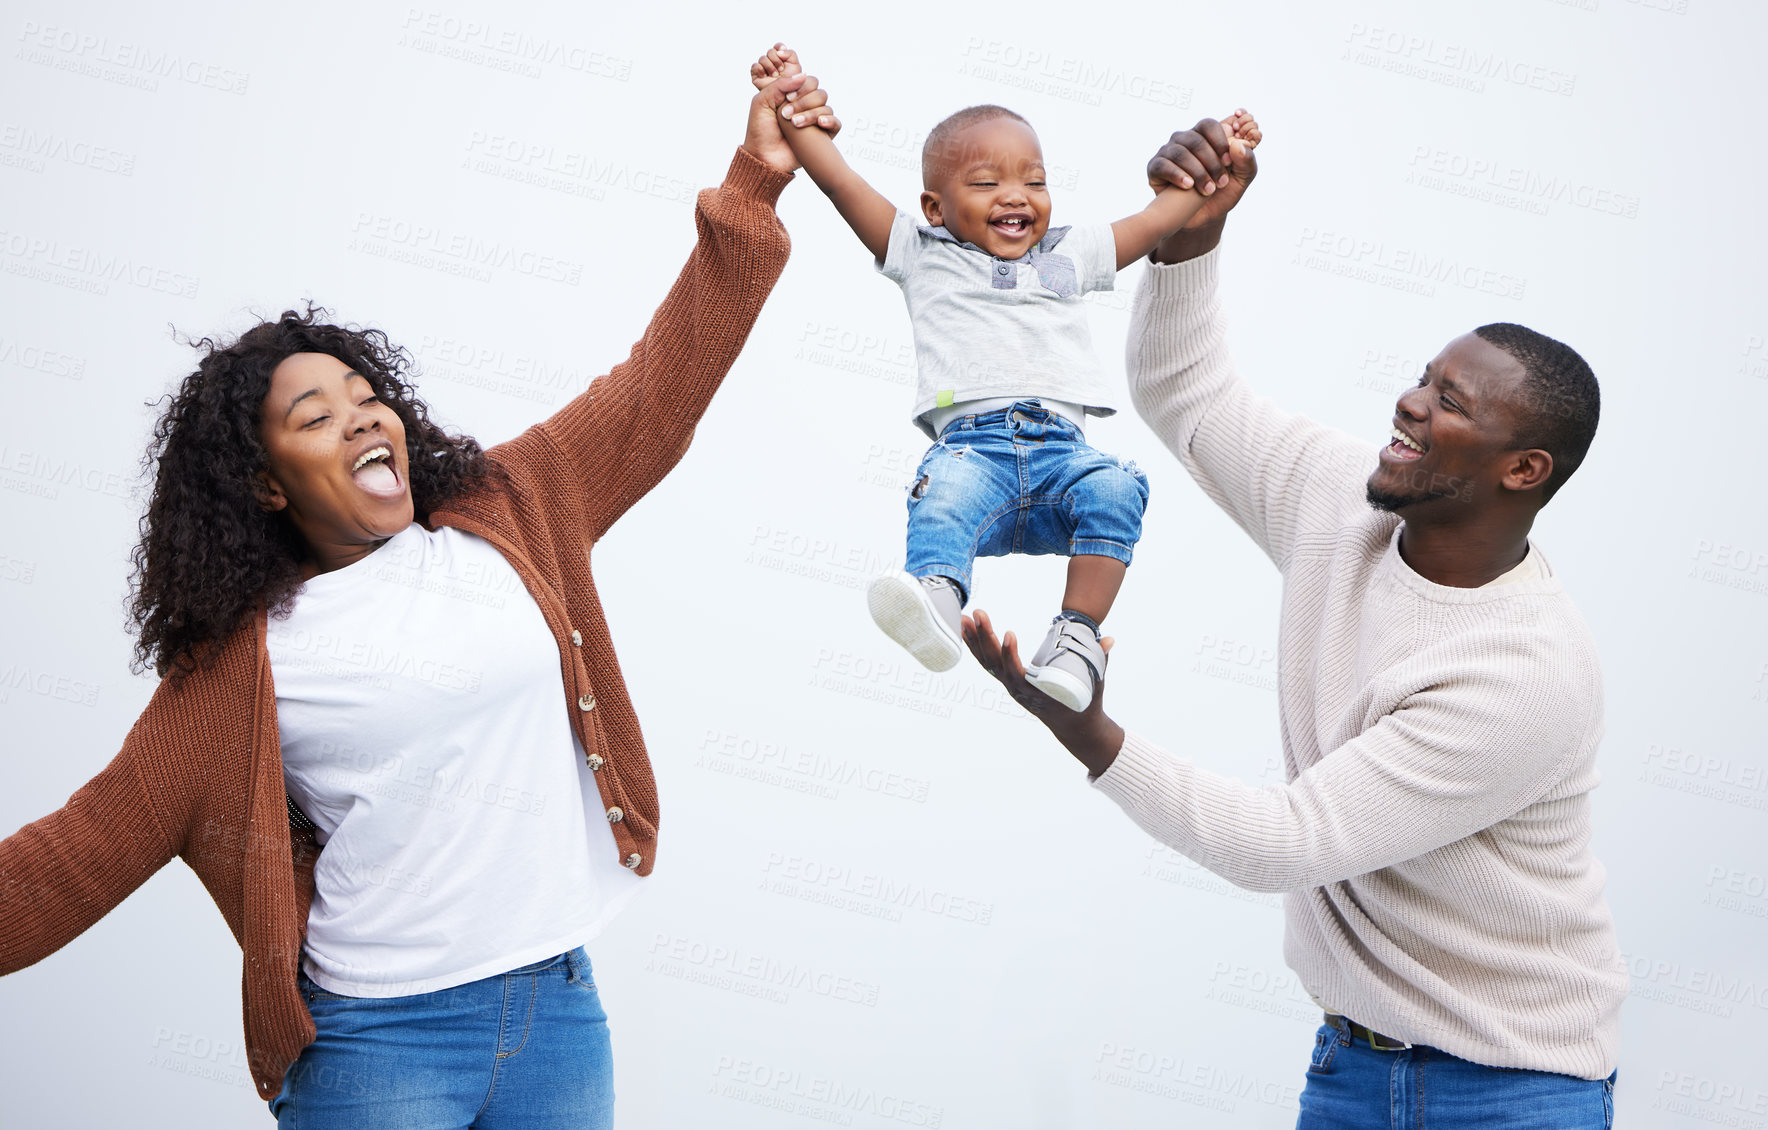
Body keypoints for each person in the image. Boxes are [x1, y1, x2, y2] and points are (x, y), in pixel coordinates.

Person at [0, 57, 839, 1128]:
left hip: (558, 1013)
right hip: (375, 1048)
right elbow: (70, 859)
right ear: (263, 484)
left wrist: (753, 183)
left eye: (365, 397)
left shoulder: (512, 504)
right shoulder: (238, 671)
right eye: (314, 417)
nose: (359, 418)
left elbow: (659, 388)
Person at [964, 117, 1626, 1128]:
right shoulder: (1346, 501)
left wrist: (1082, 726)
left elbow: (1279, 842)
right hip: (1351, 1068)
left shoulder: (1522, 671)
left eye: (1447, 401)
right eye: (1420, 375)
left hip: (1510, 1092)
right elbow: (1187, 397)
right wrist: (1191, 242)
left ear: (1521, 469)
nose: (1405, 404)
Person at [755, 45, 1257, 711]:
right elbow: (841, 181)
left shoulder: (1070, 253)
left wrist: (1214, 162)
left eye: (1034, 181)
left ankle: (1076, 639)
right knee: (946, 489)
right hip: (976, 450)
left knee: (1116, 487)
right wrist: (792, 110)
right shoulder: (922, 252)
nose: (1015, 196)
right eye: (987, 184)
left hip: (1063, 459)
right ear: (936, 207)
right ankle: (935, 594)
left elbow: (1158, 218)